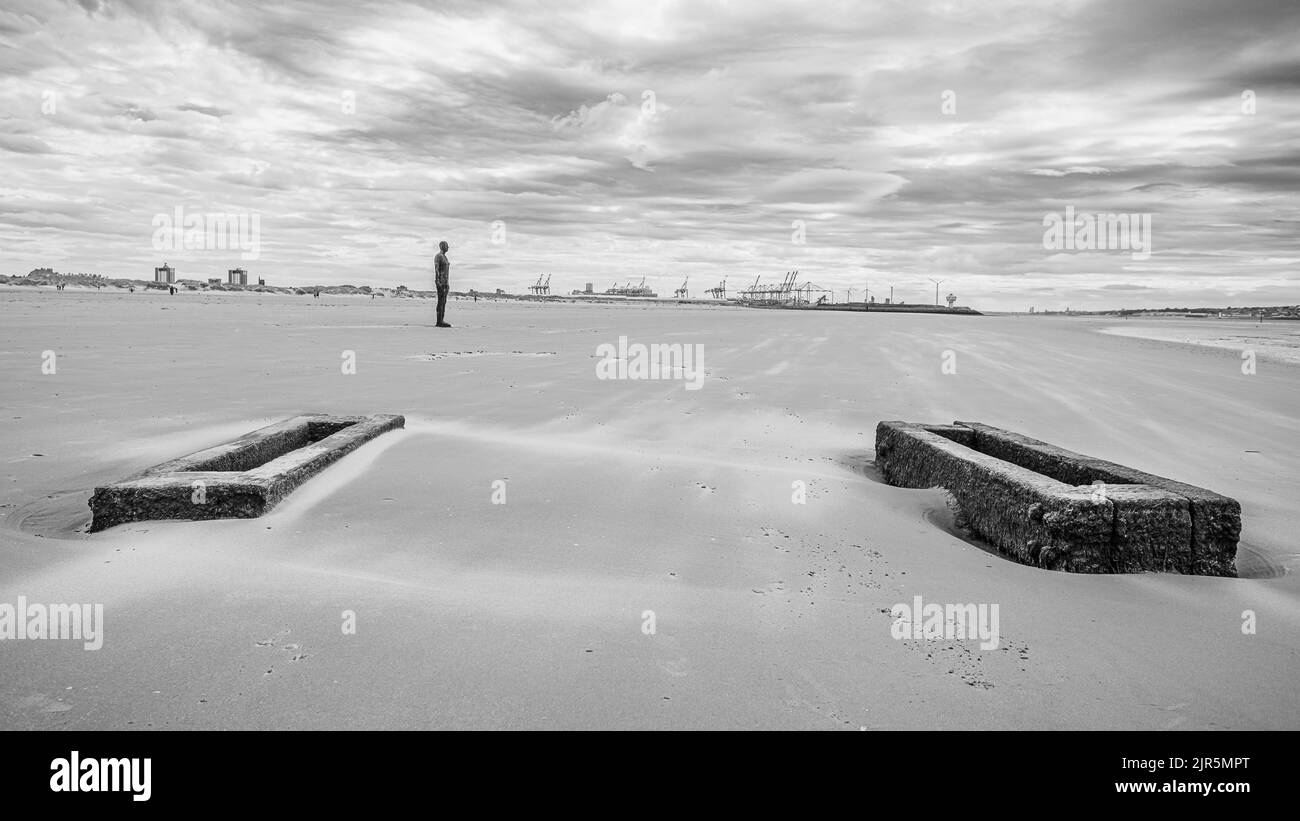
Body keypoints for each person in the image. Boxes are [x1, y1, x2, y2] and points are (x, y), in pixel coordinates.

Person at [434, 240, 451, 327]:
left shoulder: (444, 257)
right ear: (442, 246)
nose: (448, 247)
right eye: (447, 245)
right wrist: (438, 282)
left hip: (445, 282)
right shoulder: (438, 256)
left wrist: (447, 283)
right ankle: (439, 321)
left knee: (444, 301)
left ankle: (441, 320)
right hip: (441, 282)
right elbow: (436, 270)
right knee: (440, 302)